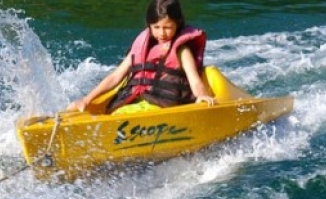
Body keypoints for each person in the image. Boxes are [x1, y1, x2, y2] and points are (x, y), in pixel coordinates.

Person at [66, 0, 215, 114]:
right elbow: (115, 77)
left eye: (167, 27)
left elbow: (195, 81)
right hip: (138, 102)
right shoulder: (140, 47)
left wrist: (201, 96)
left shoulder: (182, 51)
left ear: (178, 24)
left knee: (121, 115)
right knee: (111, 111)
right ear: (149, 26)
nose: (162, 33)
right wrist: (87, 99)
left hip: (165, 106)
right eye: (156, 27)